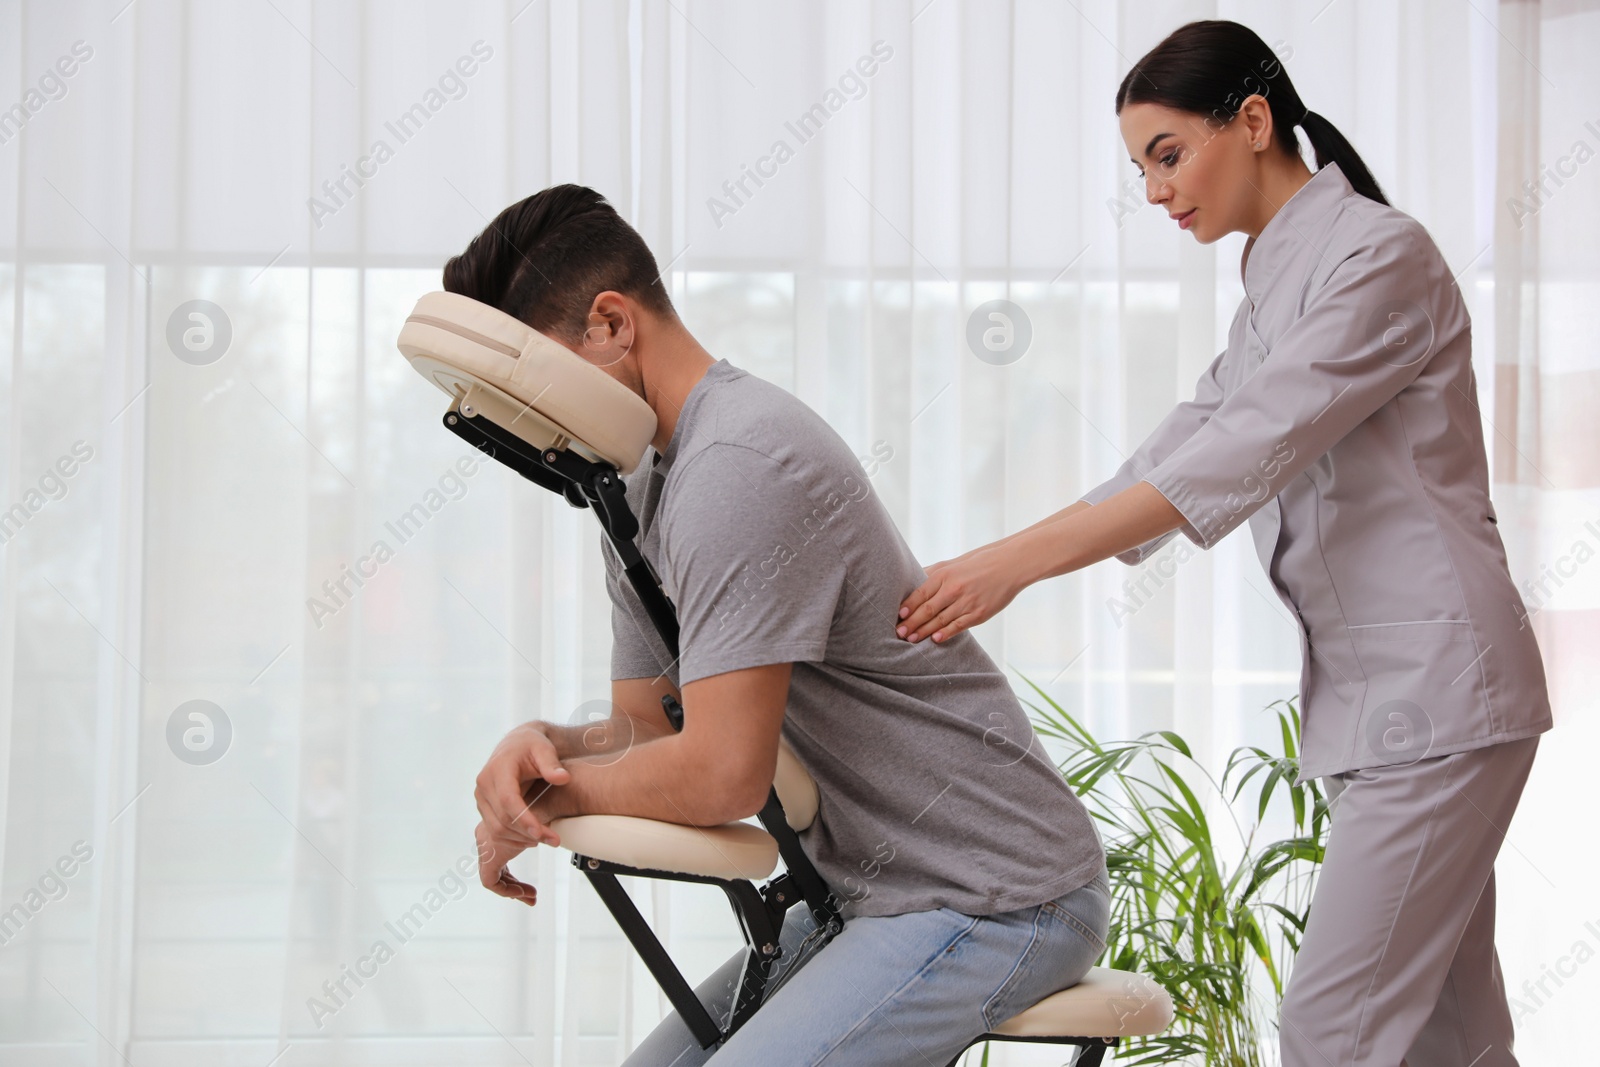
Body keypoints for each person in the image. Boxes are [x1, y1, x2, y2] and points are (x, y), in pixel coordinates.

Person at [895, 19, 1551, 1067]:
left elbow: (1237, 450)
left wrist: (1007, 569)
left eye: (1167, 154)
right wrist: (981, 562)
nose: (1155, 192)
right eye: (1140, 169)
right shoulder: (1272, 286)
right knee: (1450, 1033)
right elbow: (1181, 440)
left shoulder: (1378, 256)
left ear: (1251, 121)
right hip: (1389, 704)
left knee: (1333, 1027)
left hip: (1437, 698)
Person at [456, 184, 1110, 1065]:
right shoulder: (640, 489)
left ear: (611, 324)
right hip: (873, 891)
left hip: (992, 888)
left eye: (535, 379)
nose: (532, 424)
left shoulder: (737, 467)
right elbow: (646, 734)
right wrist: (538, 749)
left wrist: (549, 797)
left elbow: (723, 773)